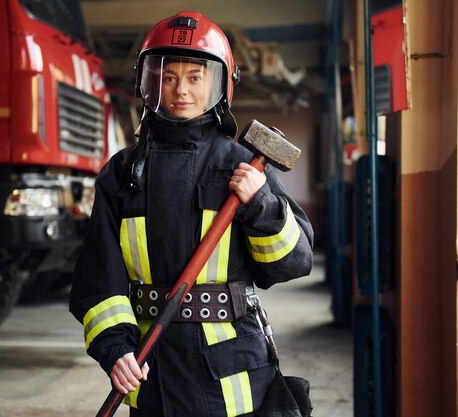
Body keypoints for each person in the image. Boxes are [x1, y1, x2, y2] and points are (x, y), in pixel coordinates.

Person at [69, 11, 313, 417]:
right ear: (148, 82)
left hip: (229, 384)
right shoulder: (121, 174)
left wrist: (261, 207)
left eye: (196, 77)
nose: (181, 89)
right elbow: (98, 278)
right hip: (151, 371)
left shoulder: (244, 166)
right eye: (167, 77)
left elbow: (292, 263)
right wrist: (115, 349)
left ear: (219, 84)